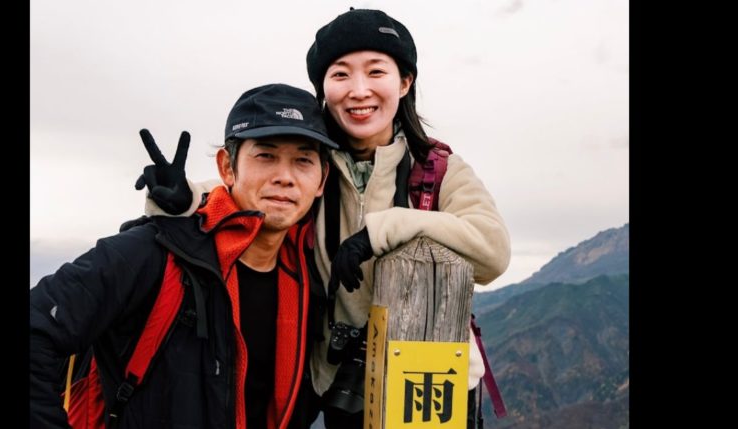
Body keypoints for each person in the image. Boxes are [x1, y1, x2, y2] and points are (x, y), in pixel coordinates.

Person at [137, 8, 511, 429]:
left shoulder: (438, 171)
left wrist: (384, 230)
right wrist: (179, 199)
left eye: (376, 72)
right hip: (331, 376)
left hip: (424, 376)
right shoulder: (311, 163)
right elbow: (246, 191)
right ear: (323, 89)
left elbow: (493, 252)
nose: (359, 90)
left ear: (404, 82)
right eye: (340, 75)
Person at [30, 83, 338, 429]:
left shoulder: (310, 280)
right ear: (227, 167)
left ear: (322, 179)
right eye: (265, 156)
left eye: (303, 160)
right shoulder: (153, 253)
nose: (285, 177)